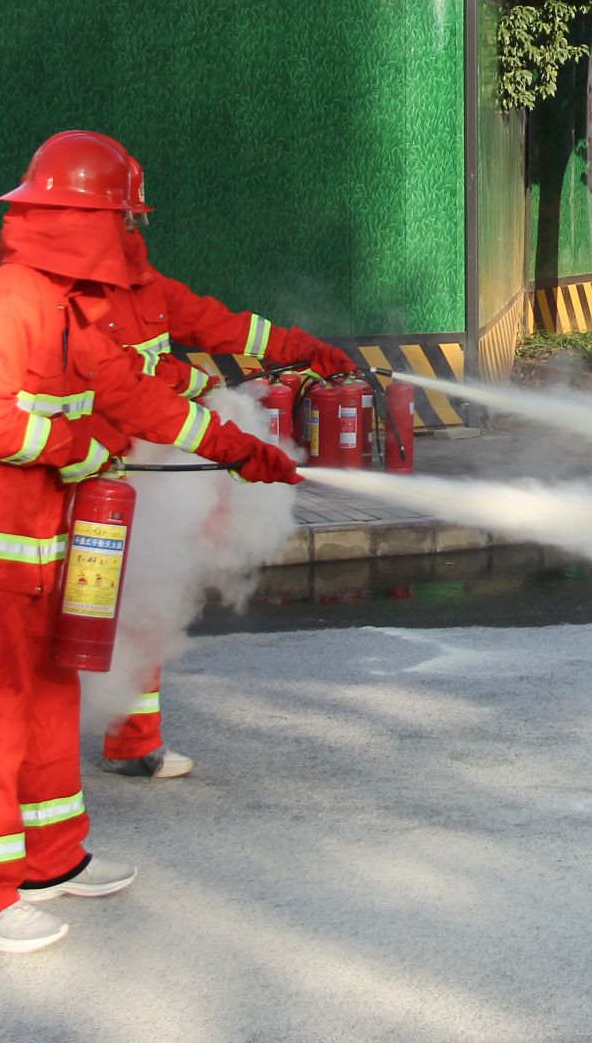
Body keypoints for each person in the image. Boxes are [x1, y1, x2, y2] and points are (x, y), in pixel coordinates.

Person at [0, 131, 301, 955]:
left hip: (33, 547)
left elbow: (134, 396)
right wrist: (77, 447)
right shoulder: (10, 302)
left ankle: (52, 860)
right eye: (122, 219)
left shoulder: (65, 308)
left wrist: (239, 449)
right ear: (82, 221)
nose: (130, 235)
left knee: (51, 698)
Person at [46, 131, 355, 779]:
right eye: (124, 216)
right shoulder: (59, 302)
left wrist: (300, 349)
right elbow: (124, 387)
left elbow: (224, 326)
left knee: (149, 597)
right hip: (69, 481)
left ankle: (134, 741)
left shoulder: (147, 288)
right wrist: (208, 413)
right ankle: (25, 748)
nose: (134, 227)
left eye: (134, 217)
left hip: (135, 478)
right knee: (62, 617)